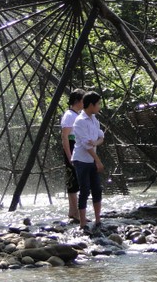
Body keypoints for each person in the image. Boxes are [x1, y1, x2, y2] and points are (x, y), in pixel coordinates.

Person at [71, 91, 105, 231]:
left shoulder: (94, 119)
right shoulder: (80, 121)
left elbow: (101, 137)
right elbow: (86, 145)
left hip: (91, 159)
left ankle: (98, 220)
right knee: (84, 190)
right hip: (81, 160)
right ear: (91, 105)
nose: (99, 107)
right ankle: (83, 223)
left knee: (97, 189)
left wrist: (96, 143)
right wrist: (98, 160)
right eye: (98, 104)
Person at [60, 88, 85, 223]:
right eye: (83, 100)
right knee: (74, 181)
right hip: (71, 147)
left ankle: (74, 211)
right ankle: (75, 212)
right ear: (77, 101)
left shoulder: (76, 115)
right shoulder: (69, 116)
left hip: (75, 146)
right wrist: (69, 156)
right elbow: (65, 137)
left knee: (77, 181)